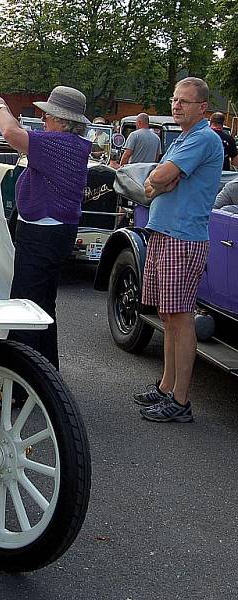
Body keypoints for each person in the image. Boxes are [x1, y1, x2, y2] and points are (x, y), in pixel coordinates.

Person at [0, 85, 92, 371]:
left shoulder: (61, 144)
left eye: (48, 116)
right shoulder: (69, 145)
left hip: (43, 235)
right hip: (52, 232)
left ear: (63, 122)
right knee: (42, 305)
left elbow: (11, 134)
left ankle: (21, 380)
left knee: (25, 307)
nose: (43, 120)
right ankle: (46, 372)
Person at [134, 77, 223, 423]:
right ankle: (166, 388)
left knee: (181, 318)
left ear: (203, 108)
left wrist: (160, 180)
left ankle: (180, 401)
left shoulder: (203, 137)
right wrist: (160, 180)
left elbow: (160, 176)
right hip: (165, 233)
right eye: (174, 100)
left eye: (184, 101)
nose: (176, 106)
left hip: (183, 238)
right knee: (168, 316)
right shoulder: (183, 138)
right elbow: (157, 179)